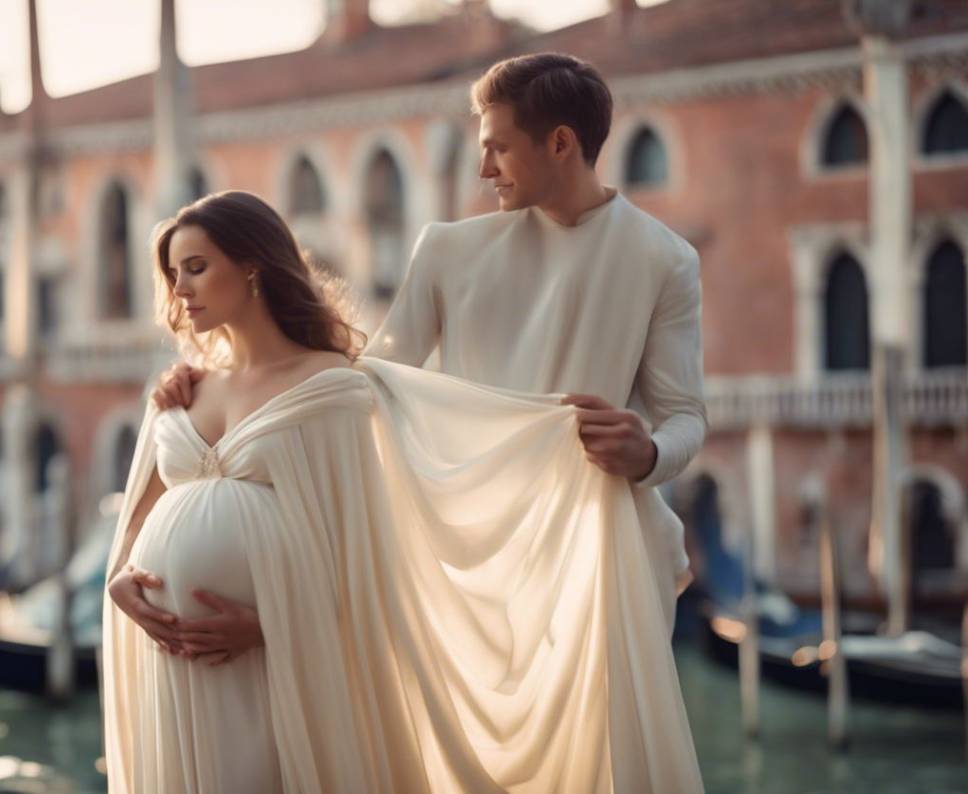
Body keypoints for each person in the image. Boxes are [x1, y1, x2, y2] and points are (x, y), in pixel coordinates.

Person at [103, 190, 703, 792]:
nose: (180, 289)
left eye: (197, 267)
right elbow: (140, 513)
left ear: (253, 262)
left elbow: (359, 553)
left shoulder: (331, 385)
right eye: (173, 273)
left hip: (268, 661)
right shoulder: (183, 390)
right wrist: (122, 583)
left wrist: (270, 627)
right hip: (169, 657)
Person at [146, 52, 704, 655]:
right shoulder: (447, 250)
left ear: (562, 143)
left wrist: (647, 454)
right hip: (460, 558)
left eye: (499, 147)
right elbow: (356, 388)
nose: (484, 167)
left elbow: (686, 419)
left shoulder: (665, 260)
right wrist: (215, 380)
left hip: (595, 556)